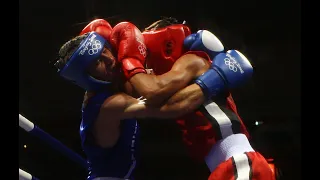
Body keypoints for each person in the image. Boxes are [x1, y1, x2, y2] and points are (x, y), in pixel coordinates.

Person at [54, 19, 252, 180]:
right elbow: (167, 105)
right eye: (97, 60)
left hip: (235, 162)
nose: (108, 59)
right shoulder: (108, 104)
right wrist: (217, 78)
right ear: (85, 76)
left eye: (105, 49)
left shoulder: (190, 61)